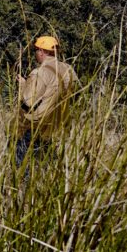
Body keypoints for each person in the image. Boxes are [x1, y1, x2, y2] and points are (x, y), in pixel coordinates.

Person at [15, 36, 79, 168]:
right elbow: (75, 94)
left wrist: (23, 85)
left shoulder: (40, 72)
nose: (35, 53)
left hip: (35, 125)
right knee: (46, 163)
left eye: (36, 50)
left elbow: (28, 102)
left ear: (42, 51)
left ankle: (22, 179)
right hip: (56, 124)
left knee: (22, 162)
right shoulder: (69, 69)